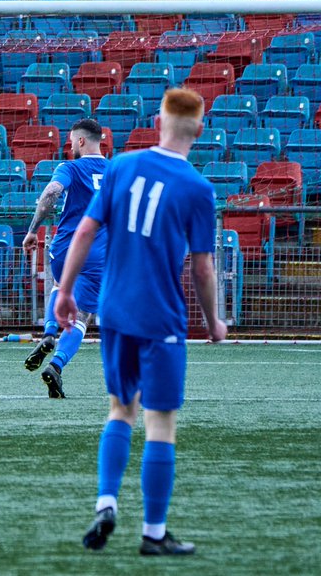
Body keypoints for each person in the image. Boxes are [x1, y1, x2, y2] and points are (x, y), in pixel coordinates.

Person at [54, 88, 226, 556]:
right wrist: (214, 322)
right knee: (160, 422)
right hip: (161, 316)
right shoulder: (197, 187)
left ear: (157, 121)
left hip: (114, 311)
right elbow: (203, 267)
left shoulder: (121, 166)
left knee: (119, 410)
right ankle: (153, 533)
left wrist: (65, 291)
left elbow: (86, 231)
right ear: (200, 130)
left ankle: (106, 501)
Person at [21, 118, 109, 398]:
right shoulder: (117, 171)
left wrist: (32, 231)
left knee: (60, 286)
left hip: (64, 247)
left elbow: (51, 192)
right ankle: (56, 366)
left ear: (81, 141)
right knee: (82, 315)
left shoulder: (69, 167)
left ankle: (48, 332)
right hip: (97, 253)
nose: (70, 145)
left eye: (71, 140)